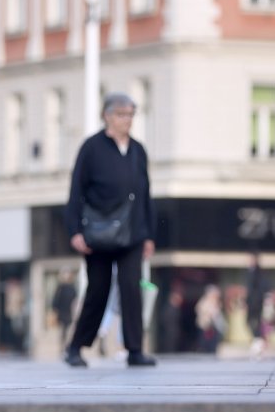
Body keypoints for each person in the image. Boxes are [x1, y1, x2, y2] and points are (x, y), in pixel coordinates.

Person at [62, 93, 157, 368]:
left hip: (133, 232)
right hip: (99, 233)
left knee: (132, 290)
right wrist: (75, 231)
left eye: (130, 115)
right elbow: (76, 191)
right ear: (107, 115)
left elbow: (146, 194)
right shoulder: (91, 148)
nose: (127, 120)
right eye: (121, 114)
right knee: (98, 290)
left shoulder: (138, 150)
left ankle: (135, 350)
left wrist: (149, 235)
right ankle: (76, 347)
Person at [195, 284, 226, 354]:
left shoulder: (216, 303)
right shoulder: (204, 302)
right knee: (205, 345)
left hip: (213, 328)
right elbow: (201, 311)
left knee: (213, 346)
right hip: (206, 327)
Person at [51, 270, 78, 348]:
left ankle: (67, 345)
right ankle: (62, 345)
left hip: (69, 311)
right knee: (63, 329)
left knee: (69, 329)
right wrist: (55, 309)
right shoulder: (60, 287)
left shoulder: (72, 287)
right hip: (62, 311)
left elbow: (75, 299)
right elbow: (56, 299)